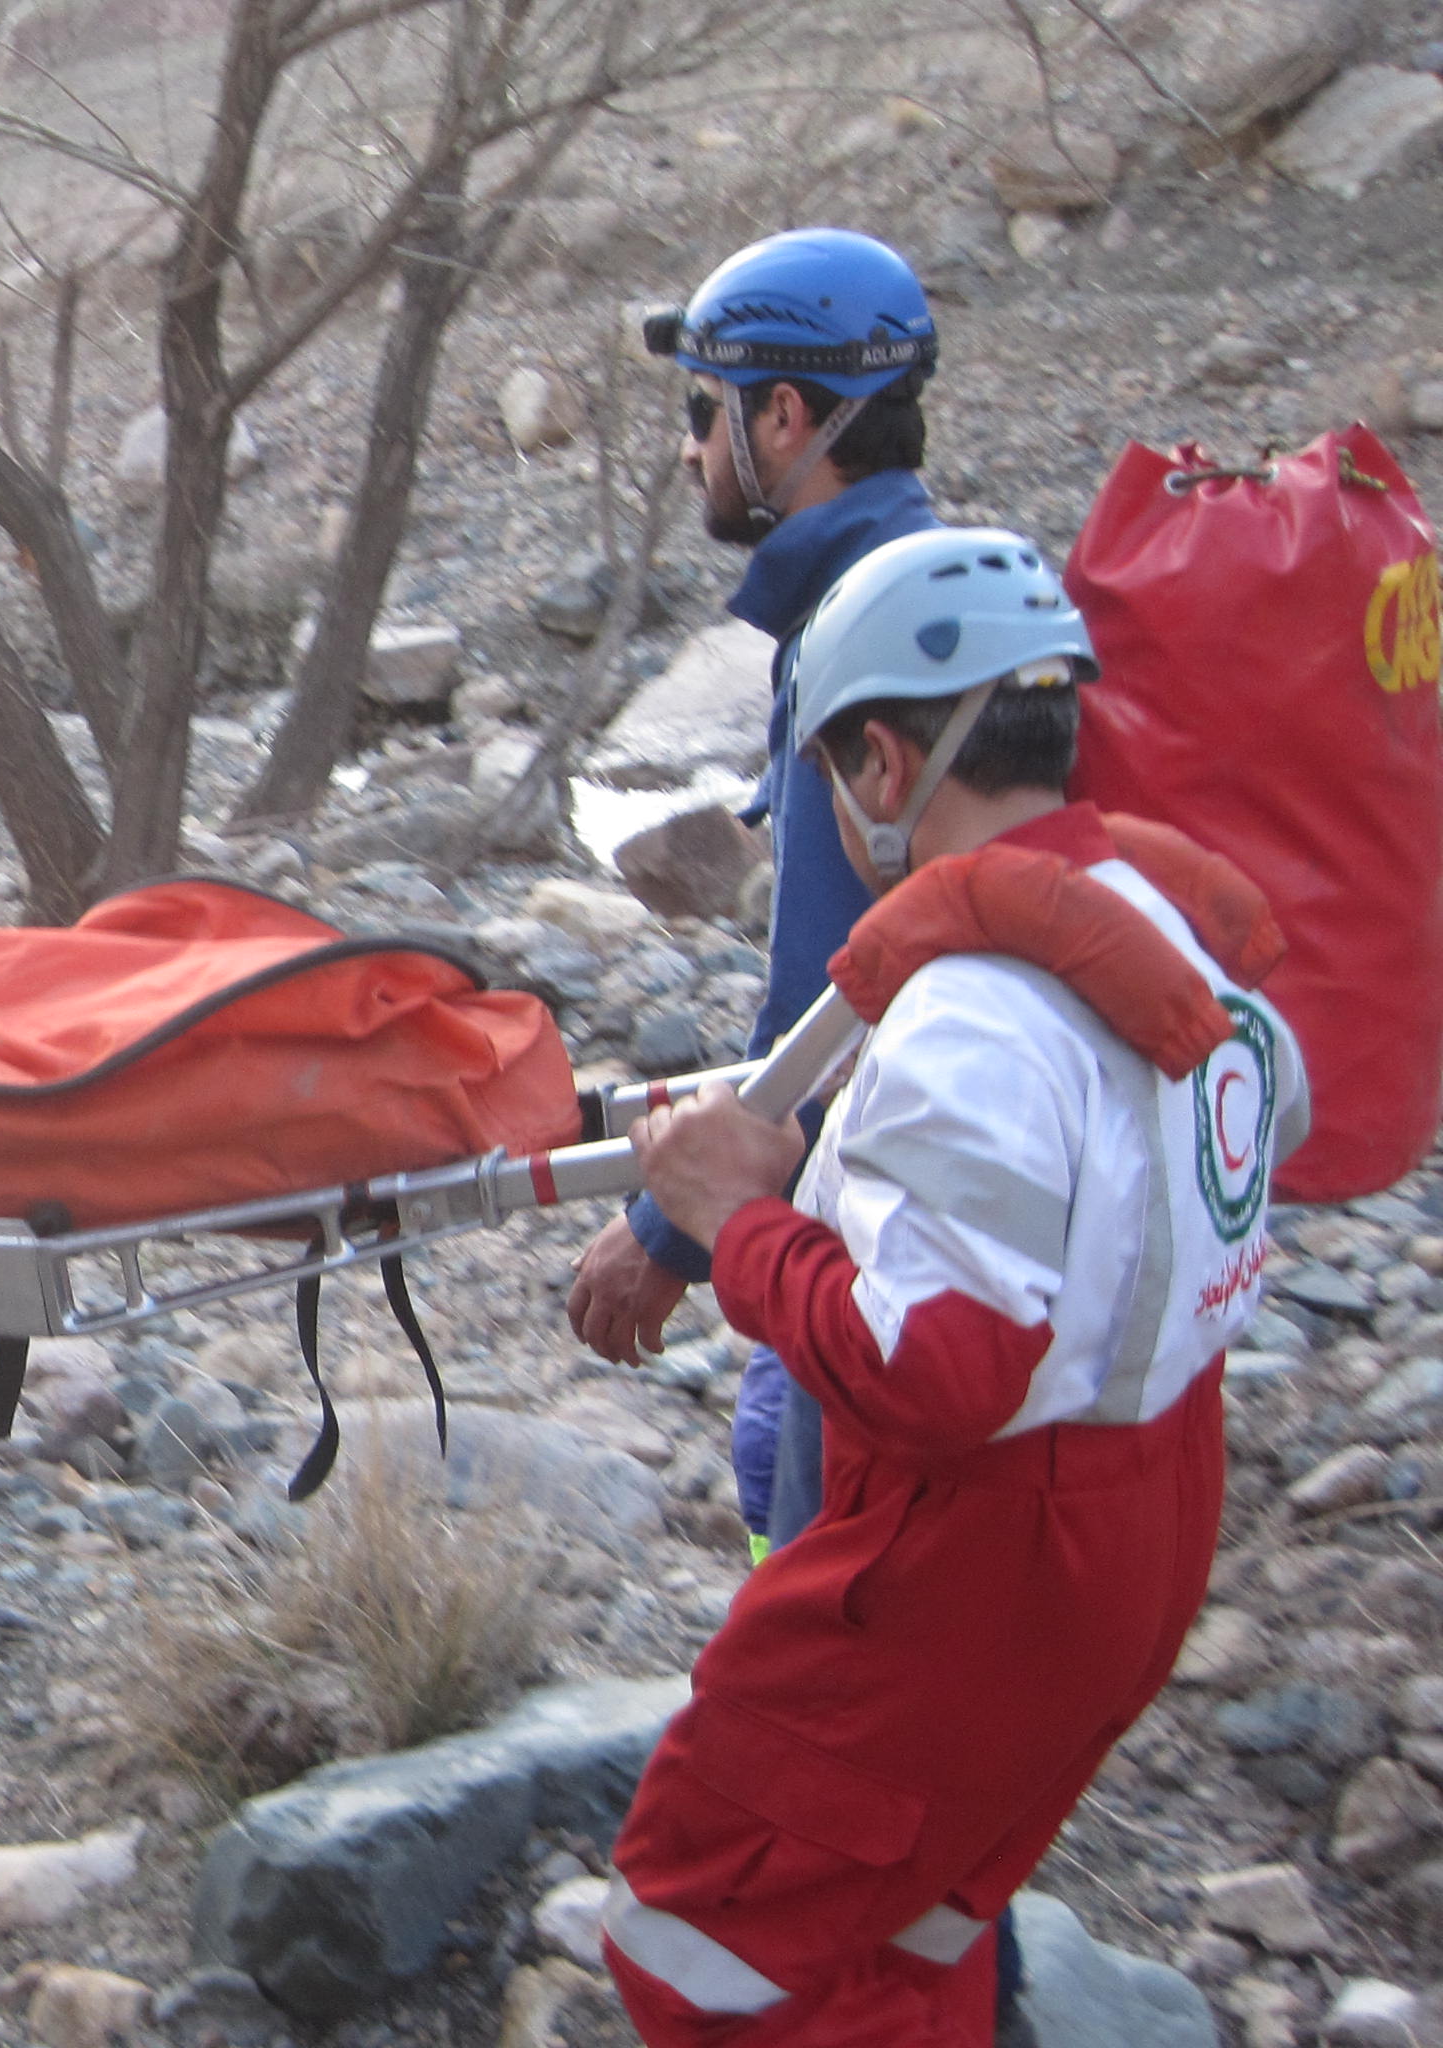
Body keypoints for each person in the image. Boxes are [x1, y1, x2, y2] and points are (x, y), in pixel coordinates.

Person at [596, 530, 1304, 2048]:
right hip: (1156, 1502)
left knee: (700, 1930)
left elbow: (942, 1371)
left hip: (984, 1555)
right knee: (924, 1905)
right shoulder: (1171, 935)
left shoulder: (972, 1017)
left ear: (879, 761)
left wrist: (736, 1217)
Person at [568, 228, 944, 1559]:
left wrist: (667, 1229)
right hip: (941, 1181)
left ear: (784, 417)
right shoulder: (933, 584)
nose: (689, 449)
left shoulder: (855, 632)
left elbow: (833, 986)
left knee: (807, 1495)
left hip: (886, 1199)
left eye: (702, 411)